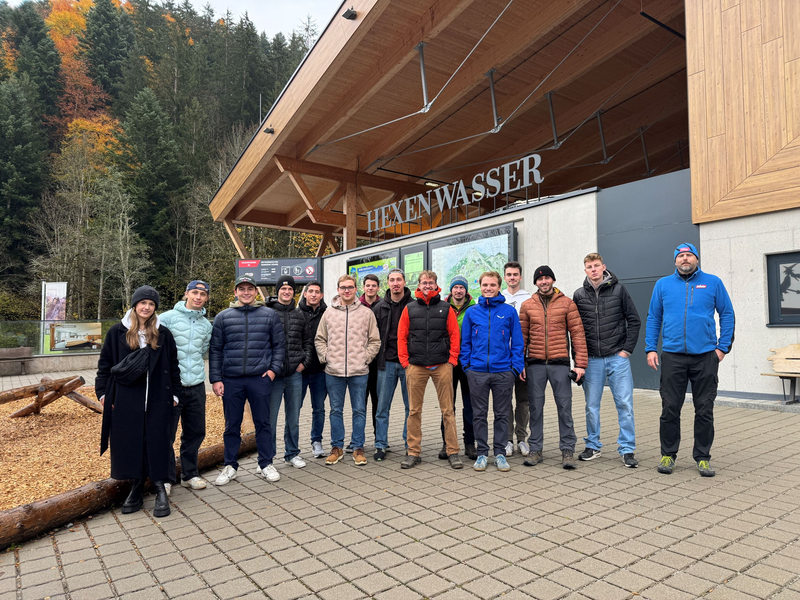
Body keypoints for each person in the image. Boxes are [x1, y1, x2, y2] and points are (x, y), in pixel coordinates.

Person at [646, 243, 735, 477]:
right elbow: (654, 316)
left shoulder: (713, 282)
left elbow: (727, 313)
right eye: (681, 256)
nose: (685, 259)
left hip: (705, 356)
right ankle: (668, 454)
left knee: (704, 409)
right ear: (675, 261)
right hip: (673, 356)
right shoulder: (662, 285)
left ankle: (703, 457)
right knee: (670, 408)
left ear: (696, 259)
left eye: (689, 255)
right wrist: (650, 349)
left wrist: (722, 347)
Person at [97, 285, 182, 518]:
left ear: (155, 308)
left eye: (151, 304)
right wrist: (104, 394)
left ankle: (159, 488)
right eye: (143, 303)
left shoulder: (163, 334)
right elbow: (104, 366)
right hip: (126, 400)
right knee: (131, 443)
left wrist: (175, 395)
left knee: (158, 443)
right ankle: (135, 486)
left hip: (158, 399)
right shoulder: (117, 332)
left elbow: (173, 367)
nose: (146, 307)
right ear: (134, 305)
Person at [209, 276, 285, 485]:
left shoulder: (269, 315)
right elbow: (215, 350)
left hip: (259, 379)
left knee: (263, 423)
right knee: (232, 425)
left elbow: (279, 346)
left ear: (255, 292)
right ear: (235, 292)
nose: (246, 292)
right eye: (241, 289)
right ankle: (230, 466)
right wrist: (216, 378)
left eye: (249, 289)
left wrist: (273, 371)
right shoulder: (223, 317)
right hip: (231, 380)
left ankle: (266, 463)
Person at [573, 254, 641, 468]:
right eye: (589, 267)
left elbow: (634, 320)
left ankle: (627, 449)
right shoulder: (579, 295)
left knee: (624, 404)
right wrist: (579, 361)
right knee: (591, 406)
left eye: (596, 266)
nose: (593, 270)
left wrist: (626, 351)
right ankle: (593, 445)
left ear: (604, 267)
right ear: (585, 270)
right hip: (592, 360)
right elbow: (575, 331)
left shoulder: (619, 290)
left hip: (616, 358)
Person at [520, 266, 588, 469]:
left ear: (553, 280)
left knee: (564, 408)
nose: (544, 282)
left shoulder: (567, 304)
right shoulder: (527, 306)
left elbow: (578, 334)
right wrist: (520, 364)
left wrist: (580, 364)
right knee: (535, 409)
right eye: (540, 279)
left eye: (547, 278)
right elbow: (522, 338)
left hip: (560, 364)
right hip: (535, 365)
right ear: (535, 283)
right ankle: (535, 449)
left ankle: (568, 450)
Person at [459, 271, 524, 472]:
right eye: (485, 285)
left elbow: (518, 342)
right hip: (477, 372)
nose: (488, 288)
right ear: (480, 286)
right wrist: (467, 367)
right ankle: (481, 454)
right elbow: (466, 343)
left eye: (493, 285)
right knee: (479, 414)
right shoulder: (472, 312)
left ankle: (500, 453)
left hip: (503, 371)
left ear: (498, 286)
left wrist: (515, 368)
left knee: (502, 414)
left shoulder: (509, 311)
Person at [397, 270, 462, 469]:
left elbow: (454, 335)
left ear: (436, 285)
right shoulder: (409, 308)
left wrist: (451, 361)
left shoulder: (446, 308)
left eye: (431, 282)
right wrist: (405, 363)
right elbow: (401, 337)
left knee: (448, 411)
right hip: (416, 366)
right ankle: (413, 452)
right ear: (419, 285)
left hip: (442, 365)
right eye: (424, 282)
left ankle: (453, 451)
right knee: (414, 411)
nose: (427, 285)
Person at [315, 274, 381, 466]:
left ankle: (358, 447)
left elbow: (375, 340)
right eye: (343, 287)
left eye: (350, 287)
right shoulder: (328, 313)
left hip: (359, 372)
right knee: (335, 410)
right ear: (338, 290)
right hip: (333, 372)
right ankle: (337, 447)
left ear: (355, 289)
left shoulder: (366, 313)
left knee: (359, 410)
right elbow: (320, 339)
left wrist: (365, 358)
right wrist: (326, 357)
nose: (347, 290)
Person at [160, 280, 213, 494]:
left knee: (195, 431)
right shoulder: (166, 318)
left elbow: (203, 352)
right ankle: (165, 476)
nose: (198, 297)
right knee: (166, 433)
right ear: (186, 294)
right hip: (171, 387)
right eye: (194, 292)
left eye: (203, 294)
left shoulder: (206, 325)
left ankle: (189, 474)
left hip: (197, 385)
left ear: (207, 297)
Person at [266, 275, 313, 469]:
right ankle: (267, 458)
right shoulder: (267, 313)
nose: (286, 292)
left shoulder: (299, 314)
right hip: (274, 376)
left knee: (293, 418)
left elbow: (308, 342)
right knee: (270, 419)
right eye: (283, 289)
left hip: (294, 374)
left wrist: (303, 363)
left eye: (290, 290)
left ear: (294, 292)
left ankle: (292, 453)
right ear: (277, 292)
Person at [372, 268, 413, 461]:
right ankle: (380, 444)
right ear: (387, 283)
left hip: (408, 363)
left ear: (404, 282)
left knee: (410, 407)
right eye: (392, 280)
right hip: (386, 363)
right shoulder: (379, 307)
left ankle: (409, 444)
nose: (395, 283)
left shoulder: (414, 306)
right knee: (382, 407)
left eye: (398, 280)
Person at [442, 275, 476, 460]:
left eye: (461, 288)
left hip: (468, 363)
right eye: (455, 287)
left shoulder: (474, 308)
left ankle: (470, 443)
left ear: (466, 290)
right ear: (451, 290)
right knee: (448, 405)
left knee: (470, 405)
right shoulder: (443, 308)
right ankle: (446, 443)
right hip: (448, 363)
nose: (458, 291)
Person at [502, 261, 532, 457]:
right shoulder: (498, 297)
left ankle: (522, 438)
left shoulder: (529, 299)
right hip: (503, 359)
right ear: (504, 277)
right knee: (504, 401)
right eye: (509, 274)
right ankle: (507, 440)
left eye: (515, 274)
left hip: (523, 358)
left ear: (520, 277)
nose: (512, 277)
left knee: (523, 401)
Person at [348, 273, 380, 452]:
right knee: (358, 404)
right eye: (367, 285)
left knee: (377, 402)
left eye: (373, 285)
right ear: (363, 287)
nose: (370, 288)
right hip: (358, 363)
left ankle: (378, 439)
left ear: (377, 288)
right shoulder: (355, 306)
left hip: (377, 363)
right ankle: (356, 440)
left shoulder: (383, 305)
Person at [298, 281, 328, 458]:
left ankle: (316, 441)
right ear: (305, 294)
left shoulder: (328, 314)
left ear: (321, 295)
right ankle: (292, 446)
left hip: (320, 371)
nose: (314, 295)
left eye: (317, 292)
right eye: (311, 292)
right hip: (300, 371)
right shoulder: (297, 313)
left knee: (319, 408)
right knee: (295, 409)